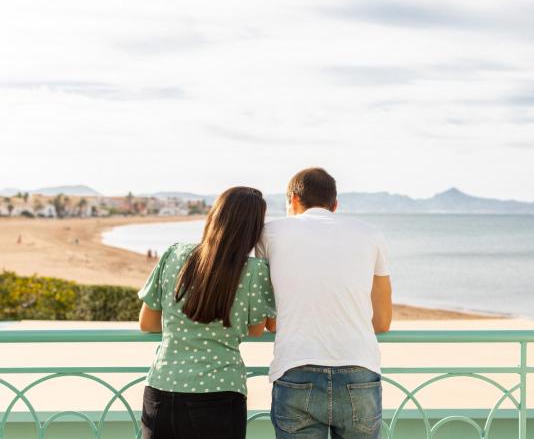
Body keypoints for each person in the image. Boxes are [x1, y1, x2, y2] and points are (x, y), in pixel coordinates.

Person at [256, 167, 392, 439]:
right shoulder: (370, 234)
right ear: (335, 205)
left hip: (295, 368)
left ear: (293, 199)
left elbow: (269, 320)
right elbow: (382, 322)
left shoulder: (269, 233)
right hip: (359, 370)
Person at [138, 186, 276, 439]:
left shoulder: (174, 253)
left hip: (161, 388)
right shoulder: (254, 271)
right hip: (219, 392)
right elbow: (256, 330)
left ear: (214, 216)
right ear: (253, 230)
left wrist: (183, 326)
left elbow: (147, 322)